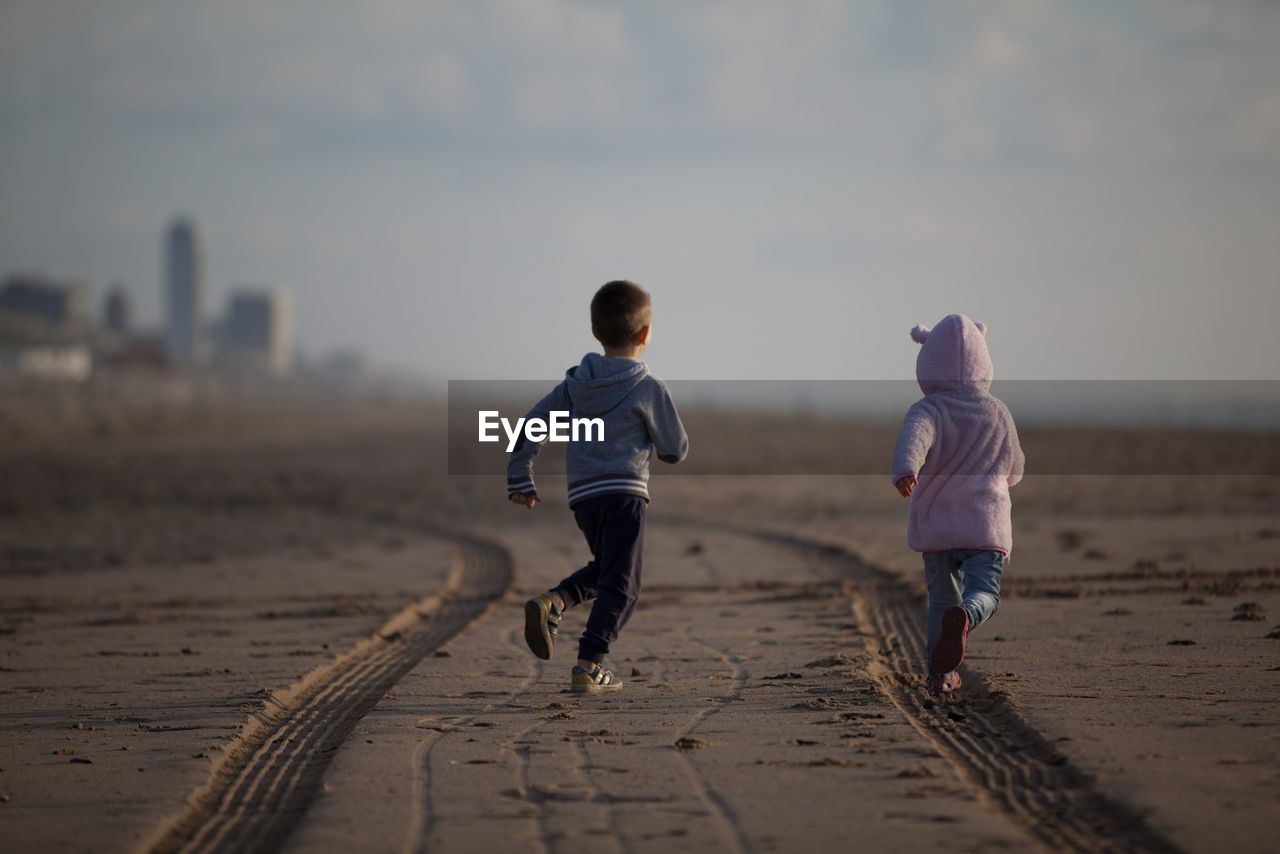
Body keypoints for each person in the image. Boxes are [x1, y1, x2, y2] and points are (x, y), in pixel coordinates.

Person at [508, 280, 688, 693]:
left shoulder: (575, 386)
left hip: (584, 497)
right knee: (624, 586)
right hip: (625, 494)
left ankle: (554, 602)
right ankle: (589, 664)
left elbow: (530, 426)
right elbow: (675, 448)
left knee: (608, 569)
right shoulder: (649, 386)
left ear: (596, 331)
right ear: (645, 334)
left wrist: (521, 476)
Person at [890, 314, 1025, 696]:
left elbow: (914, 440)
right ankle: (968, 614)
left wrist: (905, 470)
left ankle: (940, 675)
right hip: (985, 526)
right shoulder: (997, 411)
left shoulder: (928, 409)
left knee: (939, 601)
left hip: (938, 528)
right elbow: (1014, 464)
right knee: (985, 592)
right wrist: (1003, 481)